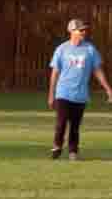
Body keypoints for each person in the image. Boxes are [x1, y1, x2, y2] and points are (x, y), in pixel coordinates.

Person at [48, 18, 112, 160]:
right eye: (80, 30)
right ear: (71, 31)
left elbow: (98, 71)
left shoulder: (90, 49)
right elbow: (55, 73)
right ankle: (57, 146)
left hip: (81, 95)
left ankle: (73, 152)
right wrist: (51, 94)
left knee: (75, 126)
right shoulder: (62, 49)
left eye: (84, 30)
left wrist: (108, 89)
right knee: (61, 122)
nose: (84, 32)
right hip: (63, 93)